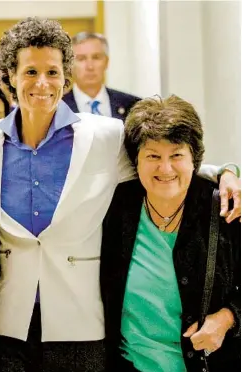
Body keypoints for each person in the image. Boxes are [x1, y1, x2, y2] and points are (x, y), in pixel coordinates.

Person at [0, 17, 240, 372]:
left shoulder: (105, 136)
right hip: (6, 324)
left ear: (66, 76)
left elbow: (162, 167)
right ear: (10, 74)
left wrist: (226, 172)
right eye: (30, 71)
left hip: (79, 324)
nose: (42, 83)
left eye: (53, 72)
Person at [101, 95, 240, 372]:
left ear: (194, 159)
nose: (165, 169)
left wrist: (228, 317)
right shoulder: (117, 208)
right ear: (135, 161)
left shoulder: (226, 209)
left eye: (176, 155)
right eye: (153, 156)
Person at [62, 32, 140, 121]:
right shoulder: (57, 108)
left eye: (96, 57)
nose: (90, 66)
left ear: (106, 62)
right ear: (69, 65)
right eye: (81, 58)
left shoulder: (133, 105)